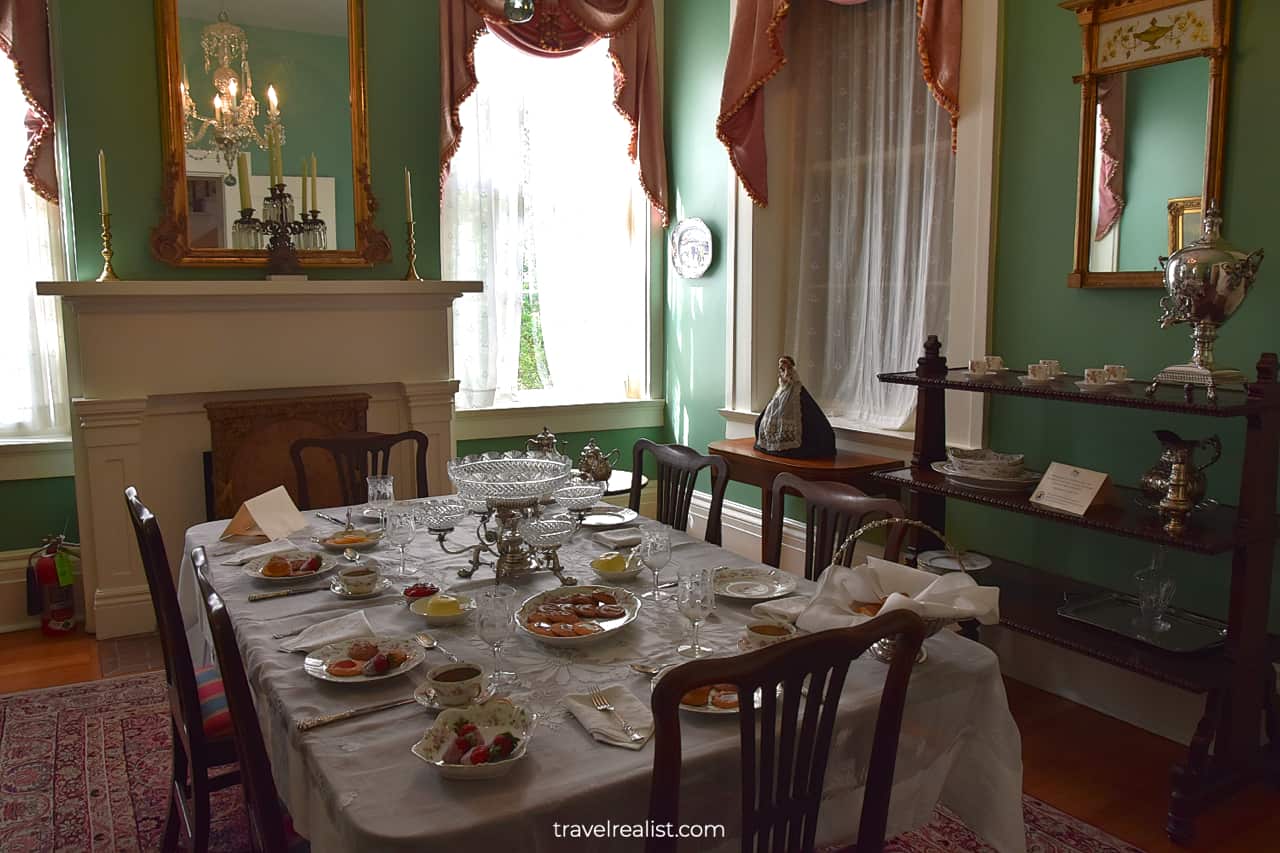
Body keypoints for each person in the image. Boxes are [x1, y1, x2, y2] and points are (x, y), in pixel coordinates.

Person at [754, 356, 836, 458]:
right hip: (782, 393)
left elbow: (789, 378)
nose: (784, 371)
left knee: (796, 415)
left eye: (785, 368)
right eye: (781, 368)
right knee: (770, 412)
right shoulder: (782, 383)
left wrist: (786, 376)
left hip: (792, 394)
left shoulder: (795, 383)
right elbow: (783, 380)